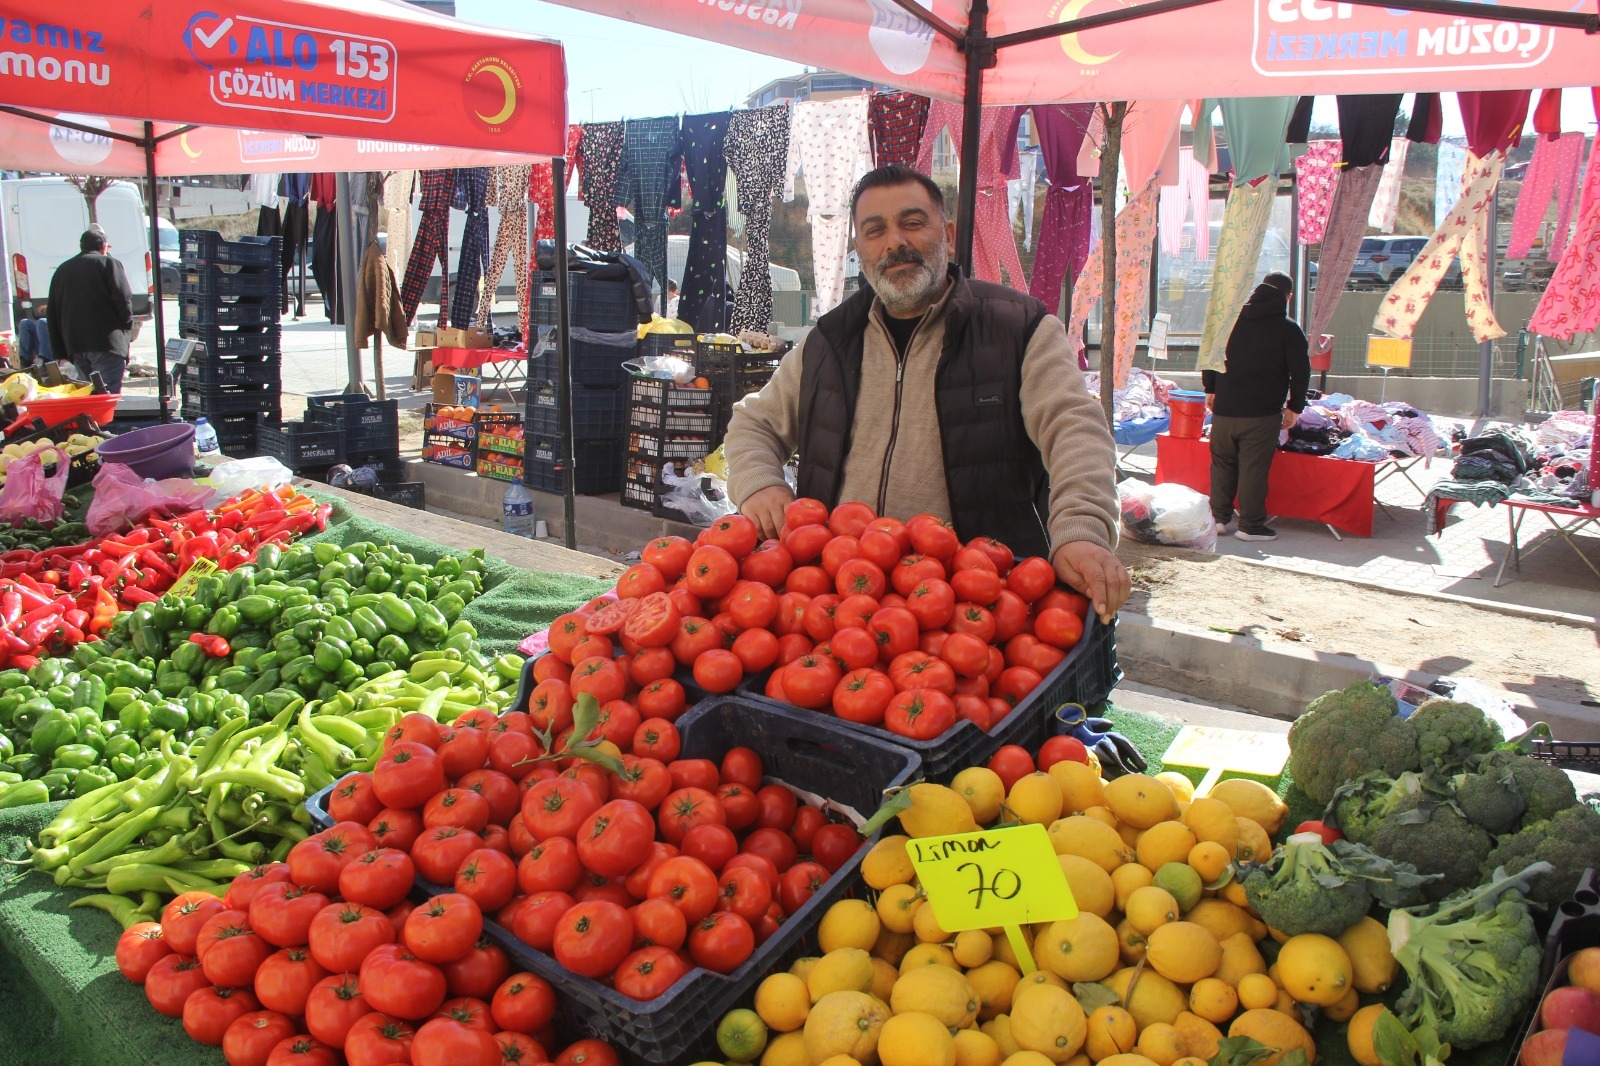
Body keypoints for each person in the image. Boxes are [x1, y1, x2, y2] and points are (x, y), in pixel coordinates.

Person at [723, 165, 1129, 622]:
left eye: (912, 223)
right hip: (838, 602)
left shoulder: (1019, 329)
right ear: (859, 248)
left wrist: (1081, 529)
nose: (894, 243)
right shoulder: (829, 341)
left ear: (949, 235)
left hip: (975, 609)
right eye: (874, 231)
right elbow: (754, 422)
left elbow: (1075, 428)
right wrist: (759, 483)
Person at [1201, 271, 1310, 543]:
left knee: (1222, 464)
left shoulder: (1231, 321)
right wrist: (1294, 406)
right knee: (1253, 468)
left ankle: (1218, 519)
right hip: (1261, 414)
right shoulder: (1288, 328)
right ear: (1288, 297)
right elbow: (1300, 372)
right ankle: (1250, 526)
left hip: (1224, 411)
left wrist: (1210, 388)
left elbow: (1211, 355)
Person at [46, 227, 134, 393]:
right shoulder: (108, 263)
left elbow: (53, 312)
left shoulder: (62, 270)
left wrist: (60, 350)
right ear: (104, 246)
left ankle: (93, 420)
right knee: (105, 395)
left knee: (88, 395)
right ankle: (102, 420)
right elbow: (123, 299)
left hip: (75, 345)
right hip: (107, 343)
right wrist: (126, 327)